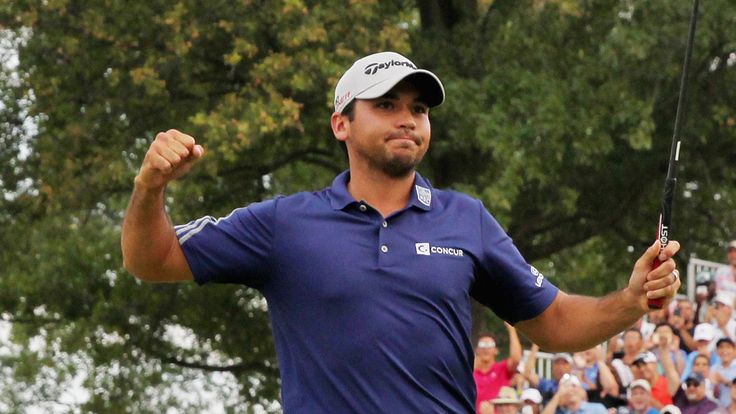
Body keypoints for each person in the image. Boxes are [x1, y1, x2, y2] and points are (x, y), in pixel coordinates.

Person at [120, 50, 682, 413]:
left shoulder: (467, 219)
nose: (407, 118)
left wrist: (631, 302)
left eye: (418, 108)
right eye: (386, 105)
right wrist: (150, 190)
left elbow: (554, 322)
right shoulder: (284, 223)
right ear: (341, 123)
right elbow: (152, 259)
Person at [475, 323, 523, 412]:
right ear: (477, 350)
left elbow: (516, 359)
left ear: (496, 350)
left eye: (489, 345)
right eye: (482, 345)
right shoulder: (470, 374)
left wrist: (512, 330)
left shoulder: (502, 369)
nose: (486, 349)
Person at [542, 374, 608, 414]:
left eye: (574, 385)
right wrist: (558, 394)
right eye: (566, 387)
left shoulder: (597, 408)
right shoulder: (559, 412)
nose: (570, 390)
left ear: (581, 389)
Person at [711, 338, 736, 407]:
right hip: (719, 408)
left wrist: (724, 381)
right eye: (721, 347)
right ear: (717, 351)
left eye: (728, 347)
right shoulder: (713, 369)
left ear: (734, 350)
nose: (724, 350)